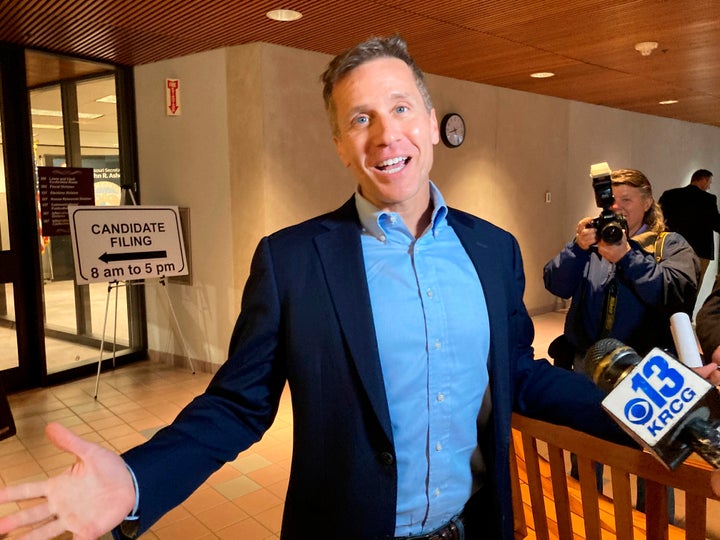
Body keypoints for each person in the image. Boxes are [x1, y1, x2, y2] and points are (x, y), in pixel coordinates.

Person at [0, 36, 669, 540]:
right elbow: (238, 404)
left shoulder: (494, 250)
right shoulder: (292, 261)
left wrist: (655, 407)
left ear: (432, 124)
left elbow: (518, 375)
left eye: (401, 108)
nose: (385, 135)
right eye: (360, 119)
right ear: (341, 145)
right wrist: (140, 477)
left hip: (478, 528)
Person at [543, 168, 701, 511]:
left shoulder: (669, 244)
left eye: (627, 199)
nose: (618, 206)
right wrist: (576, 248)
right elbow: (555, 284)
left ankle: (653, 523)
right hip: (590, 362)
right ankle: (582, 514)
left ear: (646, 202)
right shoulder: (594, 243)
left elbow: (675, 293)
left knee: (651, 459)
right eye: (612, 200)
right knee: (587, 444)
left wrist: (627, 257)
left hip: (648, 368)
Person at [659, 169, 720, 282]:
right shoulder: (708, 199)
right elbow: (716, 223)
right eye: (709, 182)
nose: (709, 187)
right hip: (700, 251)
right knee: (693, 288)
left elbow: (658, 218)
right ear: (704, 180)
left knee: (669, 282)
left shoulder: (670, 195)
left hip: (672, 248)